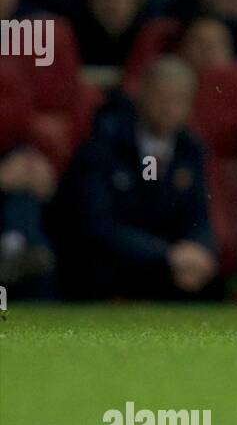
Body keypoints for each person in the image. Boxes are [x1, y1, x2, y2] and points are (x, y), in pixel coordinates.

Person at [54, 57, 218, 299]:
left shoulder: (191, 150)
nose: (168, 108)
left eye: (178, 100)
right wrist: (165, 255)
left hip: (173, 269)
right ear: (142, 94)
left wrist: (200, 250)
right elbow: (97, 224)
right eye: (162, 97)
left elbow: (199, 216)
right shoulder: (105, 143)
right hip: (113, 266)